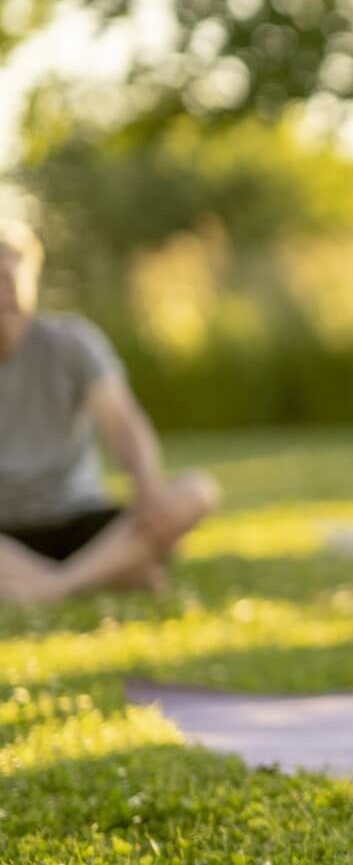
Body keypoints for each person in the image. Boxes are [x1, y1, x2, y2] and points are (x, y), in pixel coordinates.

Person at [0, 221, 220, 605]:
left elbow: (122, 422)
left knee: (196, 491)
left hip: (81, 520)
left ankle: (51, 587)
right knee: (142, 567)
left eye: (11, 275)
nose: (7, 290)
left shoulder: (72, 342)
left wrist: (147, 488)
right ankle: (112, 573)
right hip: (7, 535)